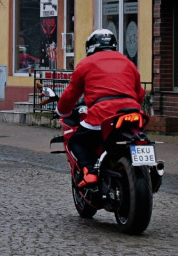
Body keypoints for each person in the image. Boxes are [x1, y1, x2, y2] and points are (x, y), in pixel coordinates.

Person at [56, 29, 146, 189]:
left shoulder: (85, 64)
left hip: (102, 116)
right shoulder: (128, 62)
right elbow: (139, 93)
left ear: (90, 46)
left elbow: (71, 94)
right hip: (132, 113)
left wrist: (62, 111)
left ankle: (90, 172)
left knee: (76, 142)